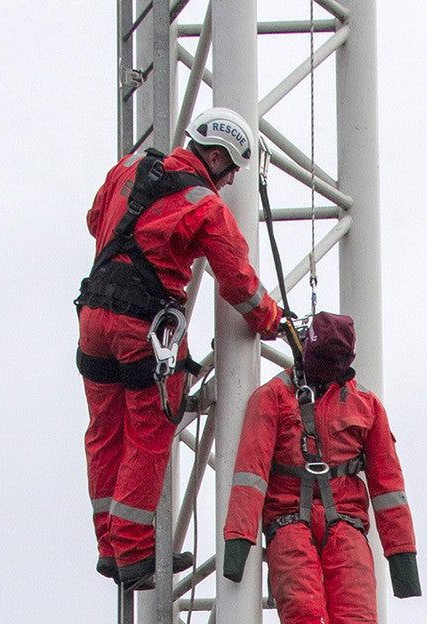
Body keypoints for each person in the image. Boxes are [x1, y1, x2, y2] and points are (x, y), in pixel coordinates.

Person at [75, 107, 284, 589]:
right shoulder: (205, 207)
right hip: (142, 327)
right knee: (148, 432)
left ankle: (109, 549)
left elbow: (95, 220)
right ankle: (132, 556)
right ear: (214, 156)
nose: (230, 180)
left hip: (93, 317)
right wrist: (274, 321)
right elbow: (240, 284)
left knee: (105, 430)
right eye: (229, 169)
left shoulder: (129, 168)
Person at [221, 312, 421, 624]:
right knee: (307, 620)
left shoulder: (366, 406)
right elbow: (250, 474)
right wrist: (238, 543)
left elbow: (388, 486)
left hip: (346, 526)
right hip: (290, 523)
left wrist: (402, 559)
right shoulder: (272, 399)